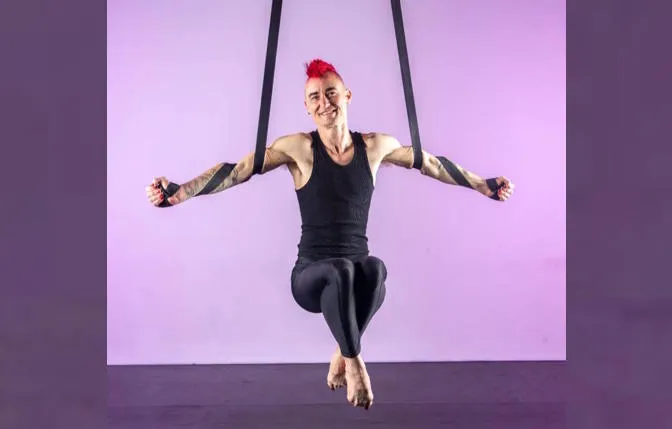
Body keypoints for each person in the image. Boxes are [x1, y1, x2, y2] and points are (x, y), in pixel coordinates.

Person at [145, 58, 515, 410]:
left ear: (347, 95)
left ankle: (342, 350)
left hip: (355, 282)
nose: (324, 103)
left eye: (331, 92)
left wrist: (483, 185)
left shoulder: (374, 147)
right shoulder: (300, 149)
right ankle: (355, 365)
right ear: (307, 107)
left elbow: (430, 163)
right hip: (311, 277)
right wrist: (181, 191)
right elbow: (238, 170)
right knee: (341, 268)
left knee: (375, 269)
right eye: (315, 97)